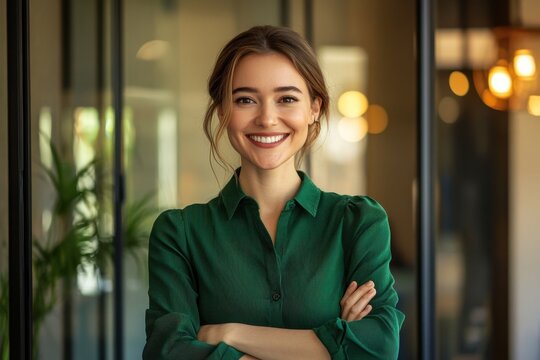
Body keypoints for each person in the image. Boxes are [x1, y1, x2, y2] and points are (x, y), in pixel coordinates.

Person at [143, 25, 404, 360]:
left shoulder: (357, 223)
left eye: (287, 99)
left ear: (314, 108)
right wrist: (333, 345)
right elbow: (168, 353)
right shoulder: (179, 233)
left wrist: (228, 334)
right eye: (245, 100)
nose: (267, 118)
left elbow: (380, 346)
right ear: (223, 109)